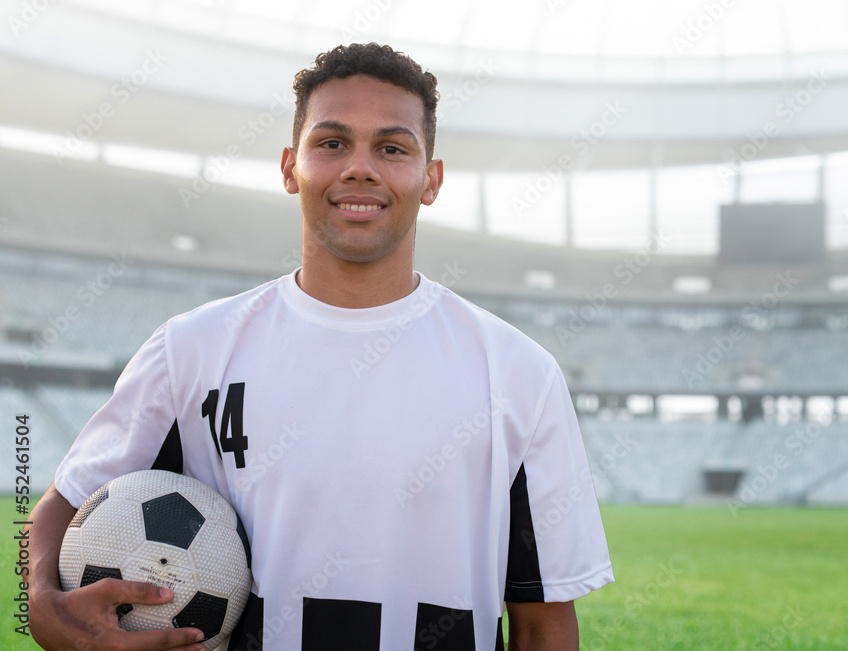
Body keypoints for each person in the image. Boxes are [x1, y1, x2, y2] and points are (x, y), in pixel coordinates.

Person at [27, 42, 613, 651]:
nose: (360, 168)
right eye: (332, 143)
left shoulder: (518, 372)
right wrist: (42, 605)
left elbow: (542, 622)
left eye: (392, 147)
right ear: (289, 167)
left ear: (431, 179)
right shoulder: (190, 350)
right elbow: (65, 503)